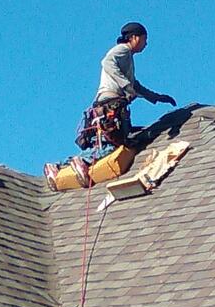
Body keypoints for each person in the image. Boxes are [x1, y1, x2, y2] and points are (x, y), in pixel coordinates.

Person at [55, 22, 175, 185]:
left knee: (108, 144)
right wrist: (126, 87)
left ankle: (59, 167)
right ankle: (79, 162)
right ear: (134, 38)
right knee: (113, 145)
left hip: (109, 105)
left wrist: (156, 97)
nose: (146, 43)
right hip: (110, 105)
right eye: (144, 39)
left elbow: (135, 85)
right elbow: (107, 62)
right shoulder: (123, 50)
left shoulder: (127, 57)